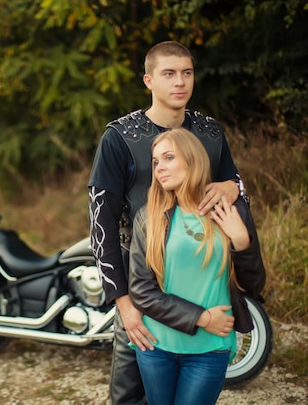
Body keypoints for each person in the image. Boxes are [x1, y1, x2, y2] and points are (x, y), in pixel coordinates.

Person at [88, 40, 247, 404]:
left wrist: (231, 186)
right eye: (169, 74)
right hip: (142, 286)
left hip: (204, 280)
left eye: (187, 73)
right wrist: (124, 306)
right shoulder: (119, 139)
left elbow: (239, 196)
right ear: (149, 80)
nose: (180, 82)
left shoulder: (209, 134)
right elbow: (101, 227)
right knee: (129, 397)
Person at [128, 128, 266, 405]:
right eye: (156, 161)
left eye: (168, 158)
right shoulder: (149, 217)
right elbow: (141, 289)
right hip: (156, 345)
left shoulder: (231, 210)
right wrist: (202, 318)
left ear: (192, 160)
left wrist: (241, 240)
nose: (160, 168)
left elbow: (254, 285)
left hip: (209, 348)